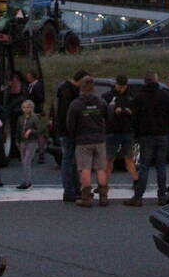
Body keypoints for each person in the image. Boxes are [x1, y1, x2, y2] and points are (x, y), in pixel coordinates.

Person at [124, 72, 169, 207]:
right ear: (156, 80)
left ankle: (138, 196)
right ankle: (162, 195)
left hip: (146, 136)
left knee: (144, 166)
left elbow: (134, 118)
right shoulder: (164, 96)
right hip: (162, 134)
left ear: (145, 81)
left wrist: (137, 134)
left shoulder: (140, 97)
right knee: (161, 166)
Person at [65, 76, 110, 207]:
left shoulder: (76, 104)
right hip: (99, 139)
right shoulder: (101, 102)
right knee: (101, 168)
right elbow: (107, 117)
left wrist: (74, 136)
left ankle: (86, 198)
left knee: (85, 169)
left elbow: (70, 123)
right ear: (93, 87)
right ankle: (103, 196)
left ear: (81, 87)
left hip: (83, 140)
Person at [52, 69, 89, 202]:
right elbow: (67, 115)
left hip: (65, 130)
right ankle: (70, 190)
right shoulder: (68, 92)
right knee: (68, 160)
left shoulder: (65, 89)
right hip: (69, 131)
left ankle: (73, 189)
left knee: (71, 160)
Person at [102, 74, 138, 185]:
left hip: (128, 130)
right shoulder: (108, 96)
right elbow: (103, 112)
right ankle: (104, 184)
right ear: (115, 84)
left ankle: (136, 183)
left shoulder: (132, 96)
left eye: (123, 86)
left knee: (129, 158)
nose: (121, 88)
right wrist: (113, 110)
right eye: (119, 86)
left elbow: (138, 112)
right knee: (109, 159)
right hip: (112, 131)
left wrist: (130, 112)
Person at [16, 99, 41, 190]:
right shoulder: (20, 118)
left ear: (32, 108)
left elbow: (39, 131)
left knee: (27, 161)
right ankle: (26, 181)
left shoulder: (35, 118)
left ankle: (27, 182)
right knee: (24, 162)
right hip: (23, 142)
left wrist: (31, 131)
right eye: (24, 107)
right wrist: (17, 140)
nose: (26, 109)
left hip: (32, 142)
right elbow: (18, 130)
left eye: (28, 107)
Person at [24, 70, 46, 164]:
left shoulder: (37, 86)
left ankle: (41, 153)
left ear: (33, 77)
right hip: (31, 111)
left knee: (38, 132)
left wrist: (39, 111)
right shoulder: (31, 86)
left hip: (36, 111)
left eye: (28, 76)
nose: (27, 78)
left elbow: (40, 99)